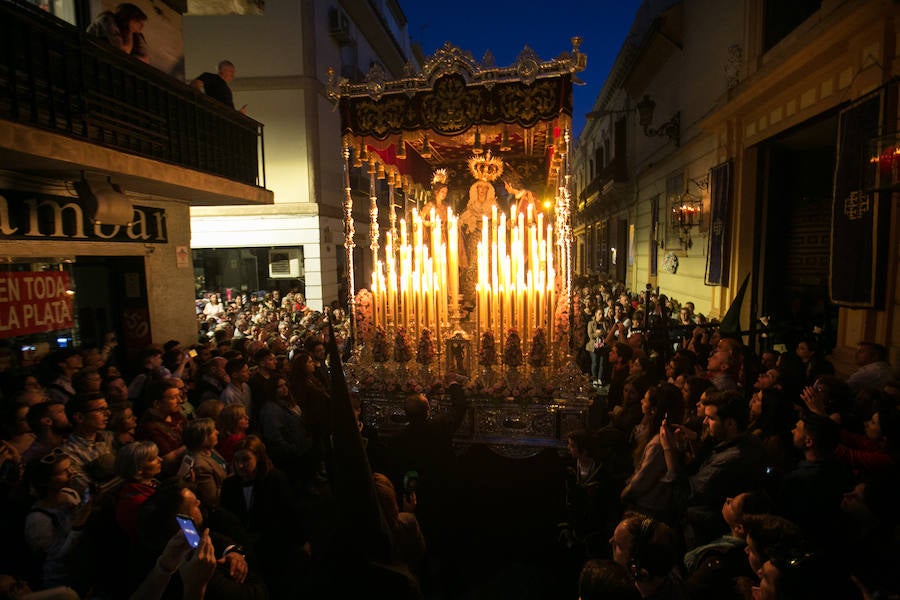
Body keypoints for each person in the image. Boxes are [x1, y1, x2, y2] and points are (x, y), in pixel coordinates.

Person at [219, 436, 309, 597]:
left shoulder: (275, 480)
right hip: (246, 549)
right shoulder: (229, 486)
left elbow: (290, 514)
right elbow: (227, 519)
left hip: (275, 547)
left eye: (246, 460)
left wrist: (301, 541)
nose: (240, 466)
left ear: (259, 458)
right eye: (237, 460)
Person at [114, 440, 162, 540]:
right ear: (138, 469)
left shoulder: (151, 484)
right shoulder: (137, 501)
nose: (160, 460)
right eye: (153, 459)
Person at [183, 418, 228, 509]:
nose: (217, 432)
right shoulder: (200, 466)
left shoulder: (210, 450)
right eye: (213, 431)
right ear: (203, 437)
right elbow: (212, 499)